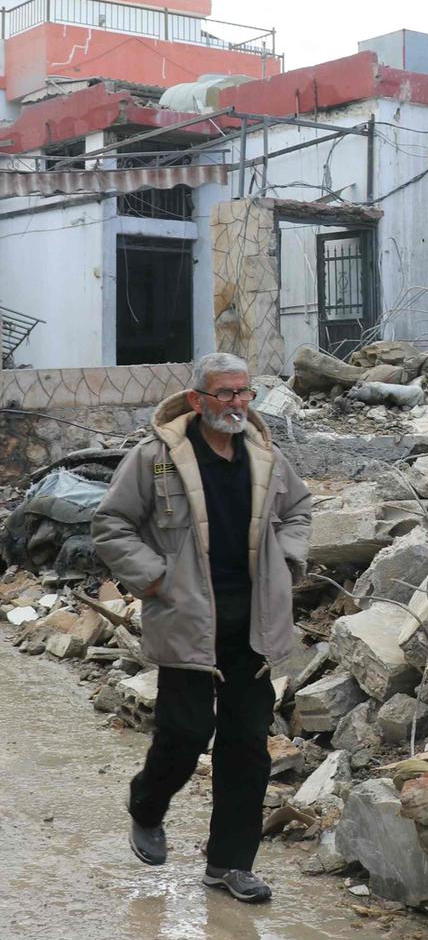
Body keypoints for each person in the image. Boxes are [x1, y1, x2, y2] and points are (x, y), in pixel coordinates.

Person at [92, 353, 312, 903]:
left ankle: (230, 865)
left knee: (246, 747)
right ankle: (147, 803)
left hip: (253, 625)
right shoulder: (156, 459)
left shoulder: (265, 457)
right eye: (225, 394)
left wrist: (286, 563)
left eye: (244, 393)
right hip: (188, 619)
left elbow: (300, 511)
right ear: (198, 400)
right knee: (185, 734)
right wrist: (156, 577)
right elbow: (110, 524)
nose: (237, 404)